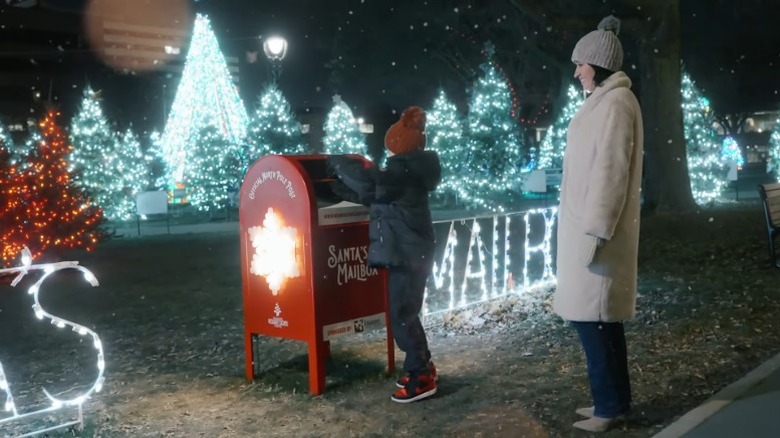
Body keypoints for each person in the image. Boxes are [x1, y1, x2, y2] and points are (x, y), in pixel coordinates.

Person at [552, 15, 644, 433]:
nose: (576, 72)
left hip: (595, 238)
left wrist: (596, 231)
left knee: (596, 323)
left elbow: (611, 173)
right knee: (599, 324)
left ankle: (610, 406)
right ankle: (611, 401)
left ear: (599, 65)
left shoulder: (616, 104)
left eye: (582, 65)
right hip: (585, 235)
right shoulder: (603, 103)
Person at [326, 106, 441, 403]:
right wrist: (338, 189)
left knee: (402, 317)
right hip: (409, 253)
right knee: (405, 314)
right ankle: (423, 365)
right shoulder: (406, 173)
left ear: (398, 144)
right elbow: (372, 195)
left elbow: (372, 183)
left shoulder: (402, 171)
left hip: (407, 255)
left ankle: (421, 377)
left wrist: (337, 163)